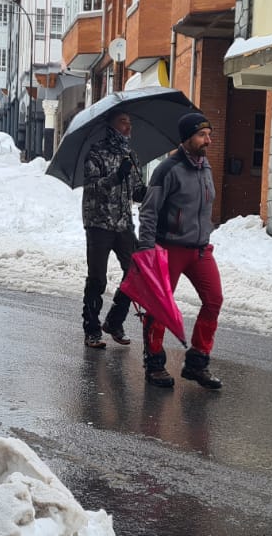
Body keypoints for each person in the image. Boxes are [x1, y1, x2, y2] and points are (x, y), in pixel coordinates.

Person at [136, 111, 223, 390]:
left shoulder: (205, 167)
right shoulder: (168, 170)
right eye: (202, 135)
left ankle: (197, 362)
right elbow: (149, 213)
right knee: (161, 307)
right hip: (169, 248)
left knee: (214, 300)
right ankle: (154, 364)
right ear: (187, 138)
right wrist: (148, 250)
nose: (208, 140)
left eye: (209, 134)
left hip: (199, 250)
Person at [80, 112, 146, 348]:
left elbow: (136, 191)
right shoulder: (96, 153)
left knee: (136, 273)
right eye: (123, 121)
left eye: (130, 121)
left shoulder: (130, 154)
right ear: (111, 124)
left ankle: (114, 321)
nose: (128, 126)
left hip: (124, 224)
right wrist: (117, 176)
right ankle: (92, 329)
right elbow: (93, 188)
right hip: (99, 223)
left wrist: (149, 193)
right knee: (97, 278)